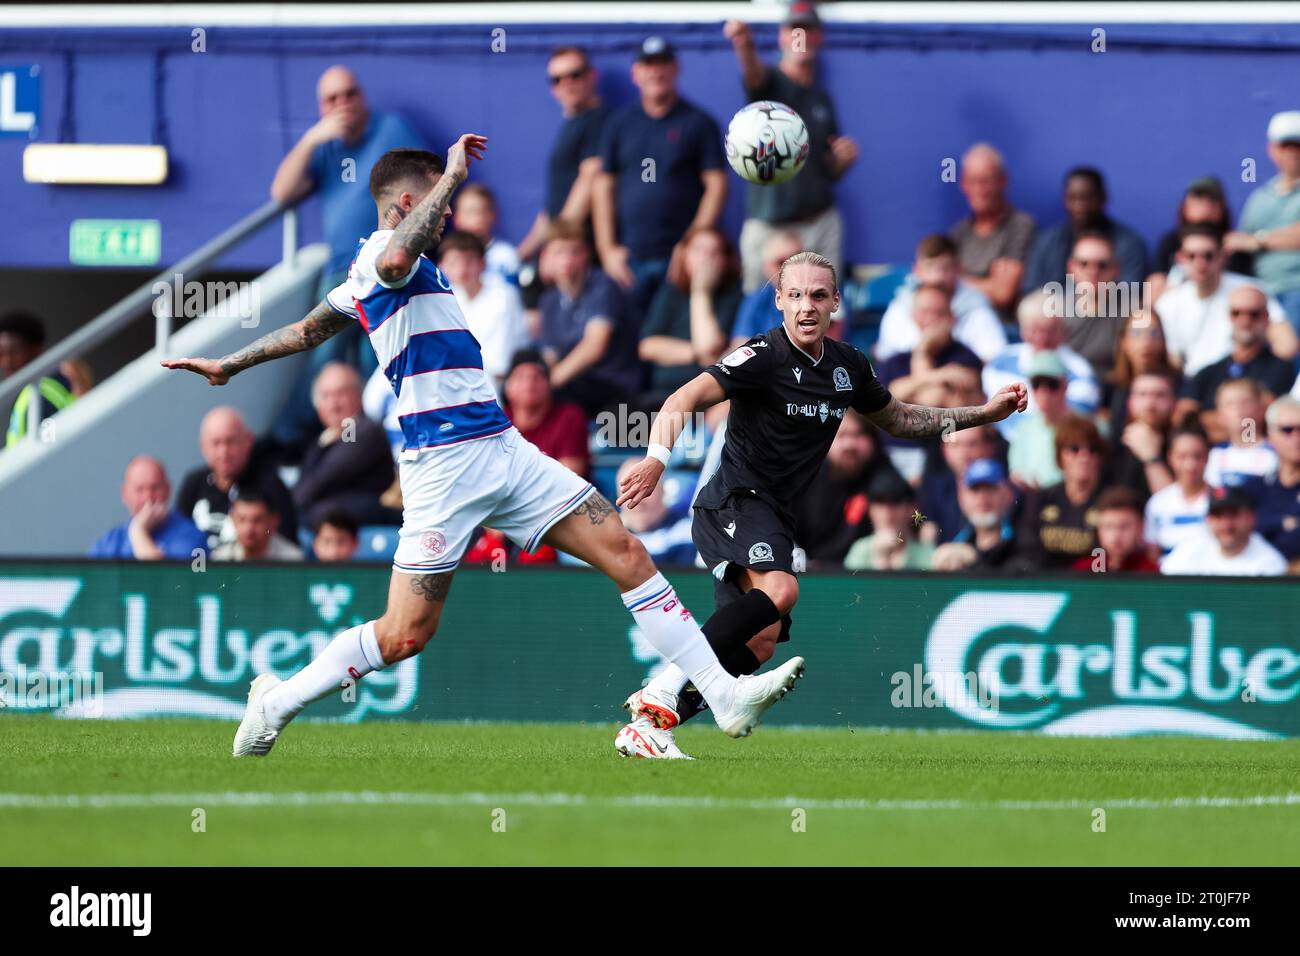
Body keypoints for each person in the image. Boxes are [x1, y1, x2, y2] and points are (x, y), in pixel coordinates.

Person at [165, 137, 804, 757]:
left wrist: (232, 363)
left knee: (625, 551)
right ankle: (276, 704)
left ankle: (721, 695)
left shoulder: (388, 268)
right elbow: (388, 264)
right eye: (439, 205)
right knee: (404, 636)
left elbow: (308, 329)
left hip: (503, 450)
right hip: (442, 469)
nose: (447, 216)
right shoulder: (387, 254)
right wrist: (450, 178)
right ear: (408, 202)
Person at [613, 250, 1028, 757]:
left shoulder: (848, 366)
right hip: (734, 502)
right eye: (795, 295)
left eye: (817, 295)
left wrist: (983, 414)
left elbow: (902, 421)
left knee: (760, 643)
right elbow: (682, 399)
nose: (806, 306)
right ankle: (659, 689)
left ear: (835, 302)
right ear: (780, 302)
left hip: (775, 513)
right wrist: (657, 459)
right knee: (782, 590)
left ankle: (655, 724)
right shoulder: (761, 356)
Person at [268, 66, 426, 451]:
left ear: (362, 96)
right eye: (331, 99)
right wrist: (311, 139)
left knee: (377, 361)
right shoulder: (326, 145)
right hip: (341, 270)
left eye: (349, 94)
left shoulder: (391, 129)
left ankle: (369, 444)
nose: (342, 105)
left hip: (388, 268)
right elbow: (282, 193)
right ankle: (292, 443)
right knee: (321, 356)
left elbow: (425, 184)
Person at [724, 2, 858, 291]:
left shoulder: (821, 98)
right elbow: (754, 76)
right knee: (760, 313)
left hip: (818, 222)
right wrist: (744, 46)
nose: (802, 37)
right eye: (794, 29)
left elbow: (828, 168)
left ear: (819, 38)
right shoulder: (770, 84)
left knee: (821, 313)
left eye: (808, 30)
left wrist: (842, 160)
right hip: (769, 225)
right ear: (782, 36)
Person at [594, 37, 727, 319]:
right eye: (648, 65)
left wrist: (689, 245)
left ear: (676, 69)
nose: (656, 72)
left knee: (676, 335)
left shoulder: (699, 122)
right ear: (635, 73)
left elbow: (716, 186)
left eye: (663, 64)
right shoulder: (619, 124)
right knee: (631, 342)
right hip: (629, 258)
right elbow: (603, 187)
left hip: (679, 259)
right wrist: (607, 249)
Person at [1155, 224, 1295, 378]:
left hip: (1240, 381)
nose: (1200, 263)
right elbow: (1172, 359)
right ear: (1180, 258)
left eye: (1208, 255)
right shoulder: (1168, 302)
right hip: (1192, 385)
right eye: (1191, 256)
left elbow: (1287, 344)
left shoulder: (1250, 291)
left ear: (1223, 255)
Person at [536, 220, 643, 416]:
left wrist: (549, 384)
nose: (567, 259)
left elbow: (595, 347)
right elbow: (549, 356)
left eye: (575, 251)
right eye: (559, 252)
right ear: (546, 257)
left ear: (587, 255)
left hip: (613, 385)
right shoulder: (548, 300)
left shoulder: (604, 285)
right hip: (574, 384)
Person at [517, 45, 612, 262]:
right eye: (557, 79)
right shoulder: (571, 125)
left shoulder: (599, 120)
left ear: (592, 76)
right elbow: (550, 211)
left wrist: (557, 247)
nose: (566, 84)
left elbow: (589, 179)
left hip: (579, 254)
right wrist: (520, 255)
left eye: (574, 75)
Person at [639, 226, 743, 403]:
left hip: (709, 398)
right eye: (699, 250)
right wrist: (696, 354)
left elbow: (709, 346)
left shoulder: (734, 295)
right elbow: (647, 346)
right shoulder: (670, 292)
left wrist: (700, 291)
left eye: (714, 252)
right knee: (614, 422)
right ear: (684, 255)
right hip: (663, 395)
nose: (706, 258)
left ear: (725, 260)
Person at [176, 406, 298, 550]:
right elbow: (178, 538)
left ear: (248, 441)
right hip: (198, 569)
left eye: (230, 442)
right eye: (216, 443)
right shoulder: (194, 483)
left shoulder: (271, 486)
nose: (224, 452)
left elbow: (284, 544)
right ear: (203, 446)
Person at [794, 409, 906, 565]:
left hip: (865, 573)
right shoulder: (807, 478)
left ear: (873, 440)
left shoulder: (887, 480)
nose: (850, 444)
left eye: (859, 435)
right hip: (812, 575)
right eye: (842, 435)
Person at [1178, 285, 1297, 429]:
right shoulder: (1207, 372)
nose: (1245, 321)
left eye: (1253, 314)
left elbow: (1259, 422)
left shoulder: (1281, 368)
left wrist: (1205, 420)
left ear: (1266, 317)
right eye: (1236, 313)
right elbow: (1183, 420)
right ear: (1229, 316)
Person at [876, 234, 1006, 365]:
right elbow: (886, 358)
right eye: (929, 267)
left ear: (958, 269)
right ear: (916, 270)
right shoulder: (900, 308)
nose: (937, 277)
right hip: (908, 382)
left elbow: (995, 358)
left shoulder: (977, 308)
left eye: (945, 268)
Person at [293, 363, 396, 529]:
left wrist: (291, 506)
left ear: (359, 395)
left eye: (341, 394)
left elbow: (326, 476)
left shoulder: (361, 429)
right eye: (325, 396)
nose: (334, 405)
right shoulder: (326, 437)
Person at [982, 291, 1099, 438]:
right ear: (1022, 330)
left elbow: (1079, 419)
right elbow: (987, 410)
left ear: (1063, 330)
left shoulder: (1080, 371)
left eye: (1050, 330)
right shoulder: (1000, 363)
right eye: (1034, 330)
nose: (1042, 337)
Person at [1225, 111, 1300, 333]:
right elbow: (1238, 242)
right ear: (1273, 150)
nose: (1294, 152)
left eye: (1298, 145)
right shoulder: (1260, 197)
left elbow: (1249, 240)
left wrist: (1259, 240)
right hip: (1260, 293)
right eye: (1287, 145)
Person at [1023, 166, 1148, 293]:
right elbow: (1032, 287)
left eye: (1087, 198)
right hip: (1052, 309)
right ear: (1064, 199)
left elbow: (1129, 291)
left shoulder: (1129, 243)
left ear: (1103, 198)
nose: (1080, 205)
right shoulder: (1047, 240)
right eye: (1073, 197)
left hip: (1109, 309)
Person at [948, 143, 1036, 320]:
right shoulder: (958, 232)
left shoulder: (1020, 226)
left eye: (986, 181)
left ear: (1003, 181)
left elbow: (1002, 294)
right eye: (973, 181)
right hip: (957, 321)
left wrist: (956, 279)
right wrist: (986, 283)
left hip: (999, 325)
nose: (979, 190)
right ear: (963, 184)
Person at [436, 230, 529, 386]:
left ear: (483, 263)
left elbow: (500, 366)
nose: (462, 270)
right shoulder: (442, 300)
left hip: (498, 383)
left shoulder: (504, 296)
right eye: (454, 263)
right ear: (442, 267)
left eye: (469, 261)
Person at [1012, 414, 1105, 569]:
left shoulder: (1109, 502)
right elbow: (1027, 548)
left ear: (1100, 457)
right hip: (1046, 585)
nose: (1084, 456)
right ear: (1060, 456)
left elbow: (1108, 556)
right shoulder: (1041, 499)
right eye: (1074, 449)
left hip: (1092, 585)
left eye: (1092, 449)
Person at [876, 284, 983, 408]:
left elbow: (933, 400)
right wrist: (940, 373)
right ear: (914, 316)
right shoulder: (894, 362)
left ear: (951, 318)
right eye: (925, 312)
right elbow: (887, 397)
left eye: (939, 313)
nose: (931, 318)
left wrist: (909, 387)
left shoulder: (966, 358)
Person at [88, 455, 208, 560]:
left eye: (155, 488)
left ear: (168, 489)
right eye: (140, 489)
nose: (148, 498)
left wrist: (138, 531)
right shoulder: (108, 543)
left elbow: (167, 581)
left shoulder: (192, 536)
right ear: (124, 493)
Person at [1149, 177, 1252, 290]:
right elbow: (1156, 280)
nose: (1204, 206)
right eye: (1198, 198)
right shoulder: (1170, 242)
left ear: (1223, 256)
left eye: (1209, 256)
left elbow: (1245, 286)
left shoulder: (1235, 245)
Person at [502, 348, 589, 477]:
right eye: (520, 377)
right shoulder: (497, 420)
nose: (529, 383)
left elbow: (570, 478)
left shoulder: (569, 417)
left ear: (549, 385)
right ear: (507, 387)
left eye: (537, 376)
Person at [1160, 486, 1286, 576]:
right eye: (1218, 516)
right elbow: (1165, 586)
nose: (1226, 525)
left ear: (1250, 518)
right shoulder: (1191, 548)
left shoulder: (1269, 564)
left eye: (1233, 515)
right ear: (1208, 520)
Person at [1059, 231, 1129, 381]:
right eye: (1084, 264)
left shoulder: (1132, 314)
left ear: (1116, 269)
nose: (1093, 271)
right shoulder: (1054, 312)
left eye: (1102, 265)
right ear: (1071, 266)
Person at [917, 423, 1003, 545]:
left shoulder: (1005, 487)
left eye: (972, 444)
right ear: (944, 449)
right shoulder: (933, 490)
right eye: (955, 445)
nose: (964, 454)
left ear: (988, 447)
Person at [1, 311, 75, 448]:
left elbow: (49, 447)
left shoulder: (43, 395)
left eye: (14, 352)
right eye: (1, 354)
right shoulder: (29, 393)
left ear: (36, 350)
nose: (7, 362)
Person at [930, 458, 1017, 570]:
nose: (982, 498)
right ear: (961, 498)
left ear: (1007, 495)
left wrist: (975, 559)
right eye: (975, 490)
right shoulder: (957, 543)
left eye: (990, 489)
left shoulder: (1024, 540)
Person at [1105, 370, 1177, 502]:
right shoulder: (1110, 446)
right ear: (1130, 402)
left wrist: (1152, 459)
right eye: (1142, 395)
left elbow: (1173, 507)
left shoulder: (1183, 444)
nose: (1150, 404)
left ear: (1173, 401)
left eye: (1159, 395)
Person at [843, 470, 935, 570]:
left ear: (911, 509)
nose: (887, 514)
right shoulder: (859, 551)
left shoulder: (927, 554)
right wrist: (880, 559)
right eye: (880, 504)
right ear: (870, 510)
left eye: (895, 504)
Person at [1007, 351, 1073, 489]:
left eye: (1051, 384)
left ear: (1065, 385)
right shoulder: (1024, 429)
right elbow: (1016, 474)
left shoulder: (1085, 428)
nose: (1044, 392)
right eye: (1037, 384)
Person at [1106, 308, 1178, 433]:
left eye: (1154, 333)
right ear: (1124, 341)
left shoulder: (1179, 385)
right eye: (1137, 333)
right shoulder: (1109, 388)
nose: (1146, 342)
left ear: (1163, 341)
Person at [729, 230, 804, 348]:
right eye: (780, 262)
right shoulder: (757, 297)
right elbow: (740, 344)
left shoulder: (823, 294)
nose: (790, 268)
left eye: (796, 259)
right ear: (766, 268)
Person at [1144, 425, 1211, 556]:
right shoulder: (1158, 503)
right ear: (1170, 457)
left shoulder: (1222, 500)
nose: (1190, 465)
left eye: (1197, 456)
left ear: (1207, 457)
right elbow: (1152, 552)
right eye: (1182, 456)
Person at [1251, 395, 1300, 563]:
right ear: (1270, 434)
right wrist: (1282, 522)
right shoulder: (1254, 487)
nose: (1296, 437)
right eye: (1287, 429)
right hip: (1258, 580)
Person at [1203, 378, 1278, 486]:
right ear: (1219, 415)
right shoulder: (1214, 455)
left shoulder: (1276, 453)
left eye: (1245, 402)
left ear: (1261, 409)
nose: (1238, 408)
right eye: (1229, 404)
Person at [1071, 487, 1160, 573]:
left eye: (1124, 527)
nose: (1116, 535)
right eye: (1108, 526)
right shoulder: (1085, 569)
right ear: (1099, 529)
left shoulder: (1150, 572)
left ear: (1141, 528)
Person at [451, 183, 520, 288]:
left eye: (481, 212)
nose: (477, 219)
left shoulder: (506, 256)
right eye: (470, 212)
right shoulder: (448, 258)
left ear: (493, 216)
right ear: (457, 218)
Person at [211, 489, 306, 562]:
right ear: (233, 519)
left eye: (257, 520)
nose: (249, 529)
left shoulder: (292, 560)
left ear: (273, 521)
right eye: (242, 519)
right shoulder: (220, 558)